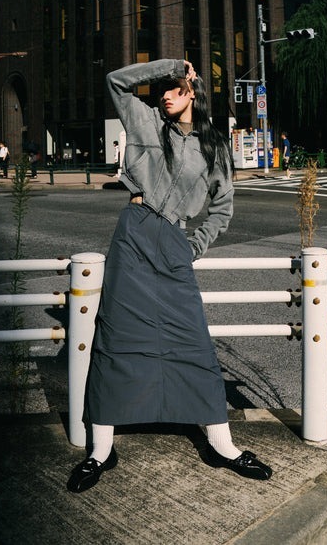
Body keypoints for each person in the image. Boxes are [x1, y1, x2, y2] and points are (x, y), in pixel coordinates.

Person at [68, 58, 272, 493]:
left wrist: (193, 246)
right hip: (134, 234)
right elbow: (116, 82)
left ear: (192, 91)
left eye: (174, 87)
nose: (165, 94)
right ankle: (100, 451)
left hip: (175, 242)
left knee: (193, 342)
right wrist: (171, 65)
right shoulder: (144, 120)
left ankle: (223, 446)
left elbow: (223, 208)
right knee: (117, 340)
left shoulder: (213, 145)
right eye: (162, 87)